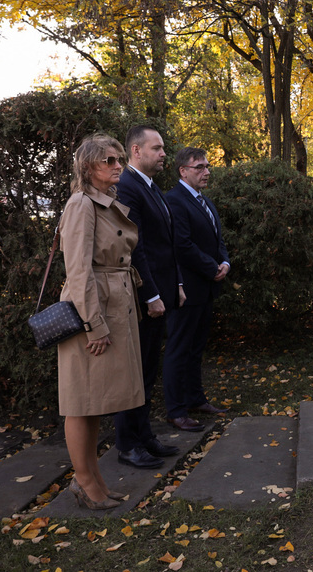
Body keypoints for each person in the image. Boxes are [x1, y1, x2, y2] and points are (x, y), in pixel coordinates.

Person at [57, 134, 144, 509]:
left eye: (119, 158)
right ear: (87, 166)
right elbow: (78, 271)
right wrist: (93, 325)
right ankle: (84, 481)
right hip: (91, 311)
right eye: (108, 160)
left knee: (93, 401)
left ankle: (94, 479)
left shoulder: (103, 202)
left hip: (112, 305)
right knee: (80, 401)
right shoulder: (81, 204)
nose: (117, 165)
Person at [112, 125, 186, 469]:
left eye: (163, 148)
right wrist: (151, 294)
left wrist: (177, 284)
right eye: (156, 148)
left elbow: (167, 244)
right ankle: (128, 444)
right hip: (142, 299)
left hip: (162, 292)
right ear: (136, 151)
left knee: (147, 370)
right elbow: (135, 246)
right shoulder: (127, 186)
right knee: (134, 372)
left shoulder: (150, 186)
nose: (163, 153)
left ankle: (144, 436)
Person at [163, 147, 230, 431]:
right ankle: (176, 410)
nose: (206, 172)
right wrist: (211, 268)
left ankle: (195, 399)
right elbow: (181, 244)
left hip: (206, 289)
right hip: (185, 290)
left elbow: (217, 239)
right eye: (199, 167)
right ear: (183, 171)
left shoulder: (205, 201)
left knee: (196, 349)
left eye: (207, 166)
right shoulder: (174, 200)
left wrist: (224, 262)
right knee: (179, 349)